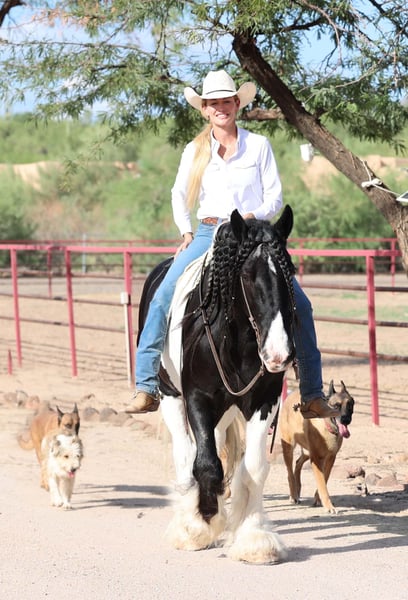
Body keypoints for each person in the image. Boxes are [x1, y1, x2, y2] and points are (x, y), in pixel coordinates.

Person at [126, 70, 339, 420]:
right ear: (205, 109)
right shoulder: (194, 150)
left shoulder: (259, 145)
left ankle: (312, 393)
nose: (220, 107)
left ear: (237, 103)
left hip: (251, 235)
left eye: (226, 101)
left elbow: (275, 197)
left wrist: (251, 217)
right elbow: (178, 194)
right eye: (213, 103)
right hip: (209, 233)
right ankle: (146, 385)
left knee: (299, 304)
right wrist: (185, 232)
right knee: (163, 295)